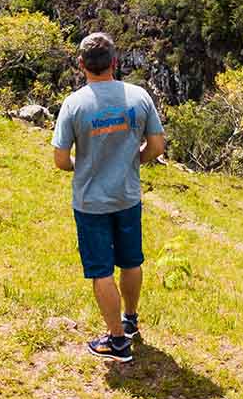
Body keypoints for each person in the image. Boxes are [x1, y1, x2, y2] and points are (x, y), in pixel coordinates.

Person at [52, 32, 166, 363]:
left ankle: (117, 341)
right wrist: (133, 161)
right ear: (115, 62)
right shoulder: (139, 96)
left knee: (101, 269)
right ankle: (130, 319)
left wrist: (81, 165)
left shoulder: (75, 104)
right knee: (131, 261)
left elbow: (60, 160)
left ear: (81, 65)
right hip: (128, 196)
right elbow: (157, 147)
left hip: (91, 202)